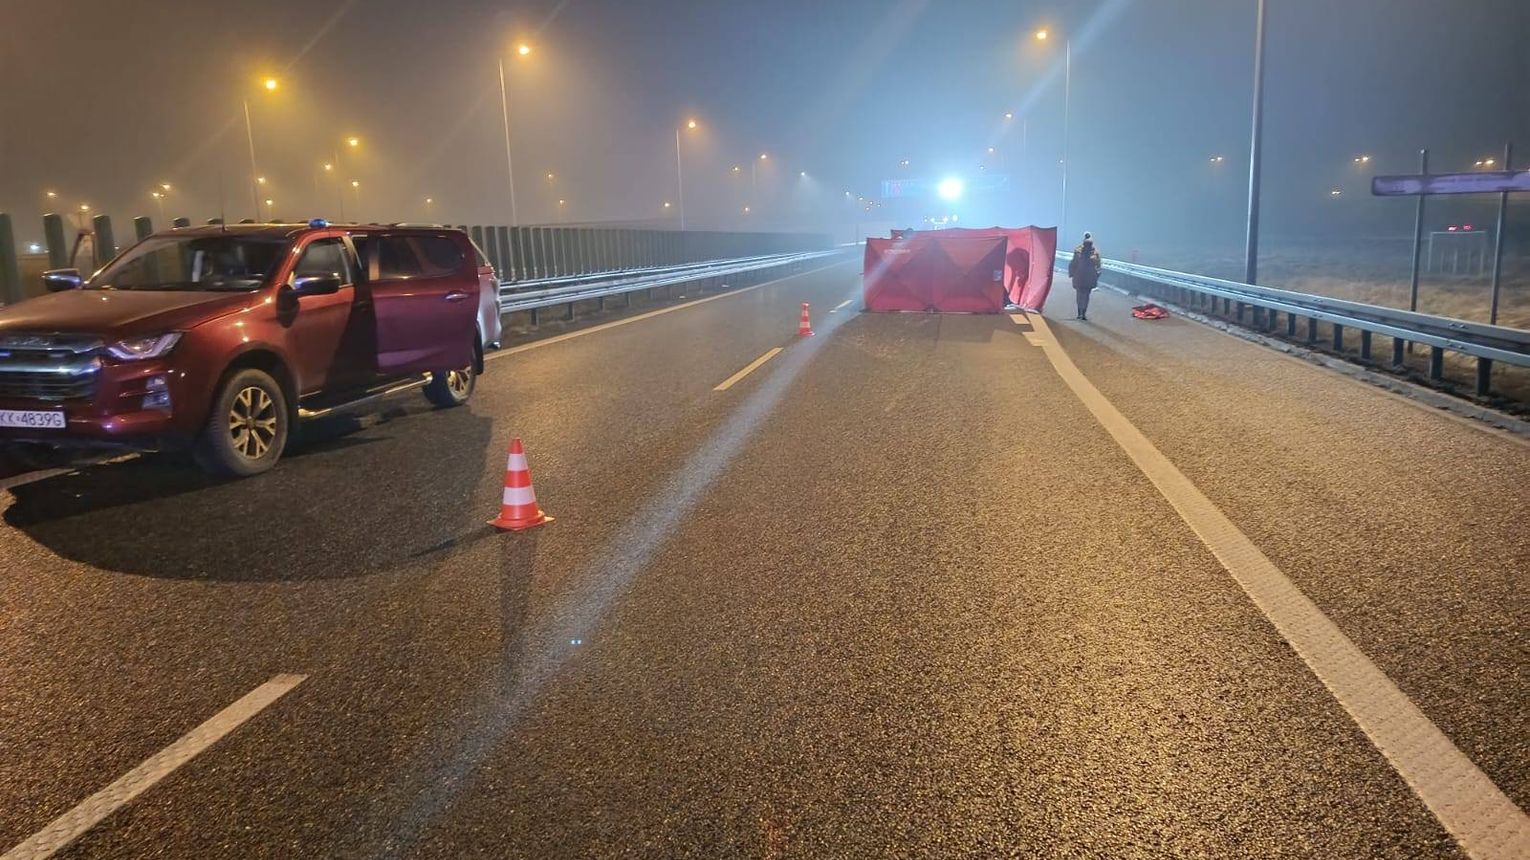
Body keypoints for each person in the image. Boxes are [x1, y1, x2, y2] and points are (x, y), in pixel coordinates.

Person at [1067, 232, 1102, 320]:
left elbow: (1073, 263)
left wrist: (1071, 273)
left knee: (1079, 295)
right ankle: (1083, 313)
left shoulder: (1078, 251)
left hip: (1079, 277)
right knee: (1086, 296)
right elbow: (1098, 266)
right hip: (1089, 278)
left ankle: (1079, 313)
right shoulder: (1095, 253)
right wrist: (1097, 275)